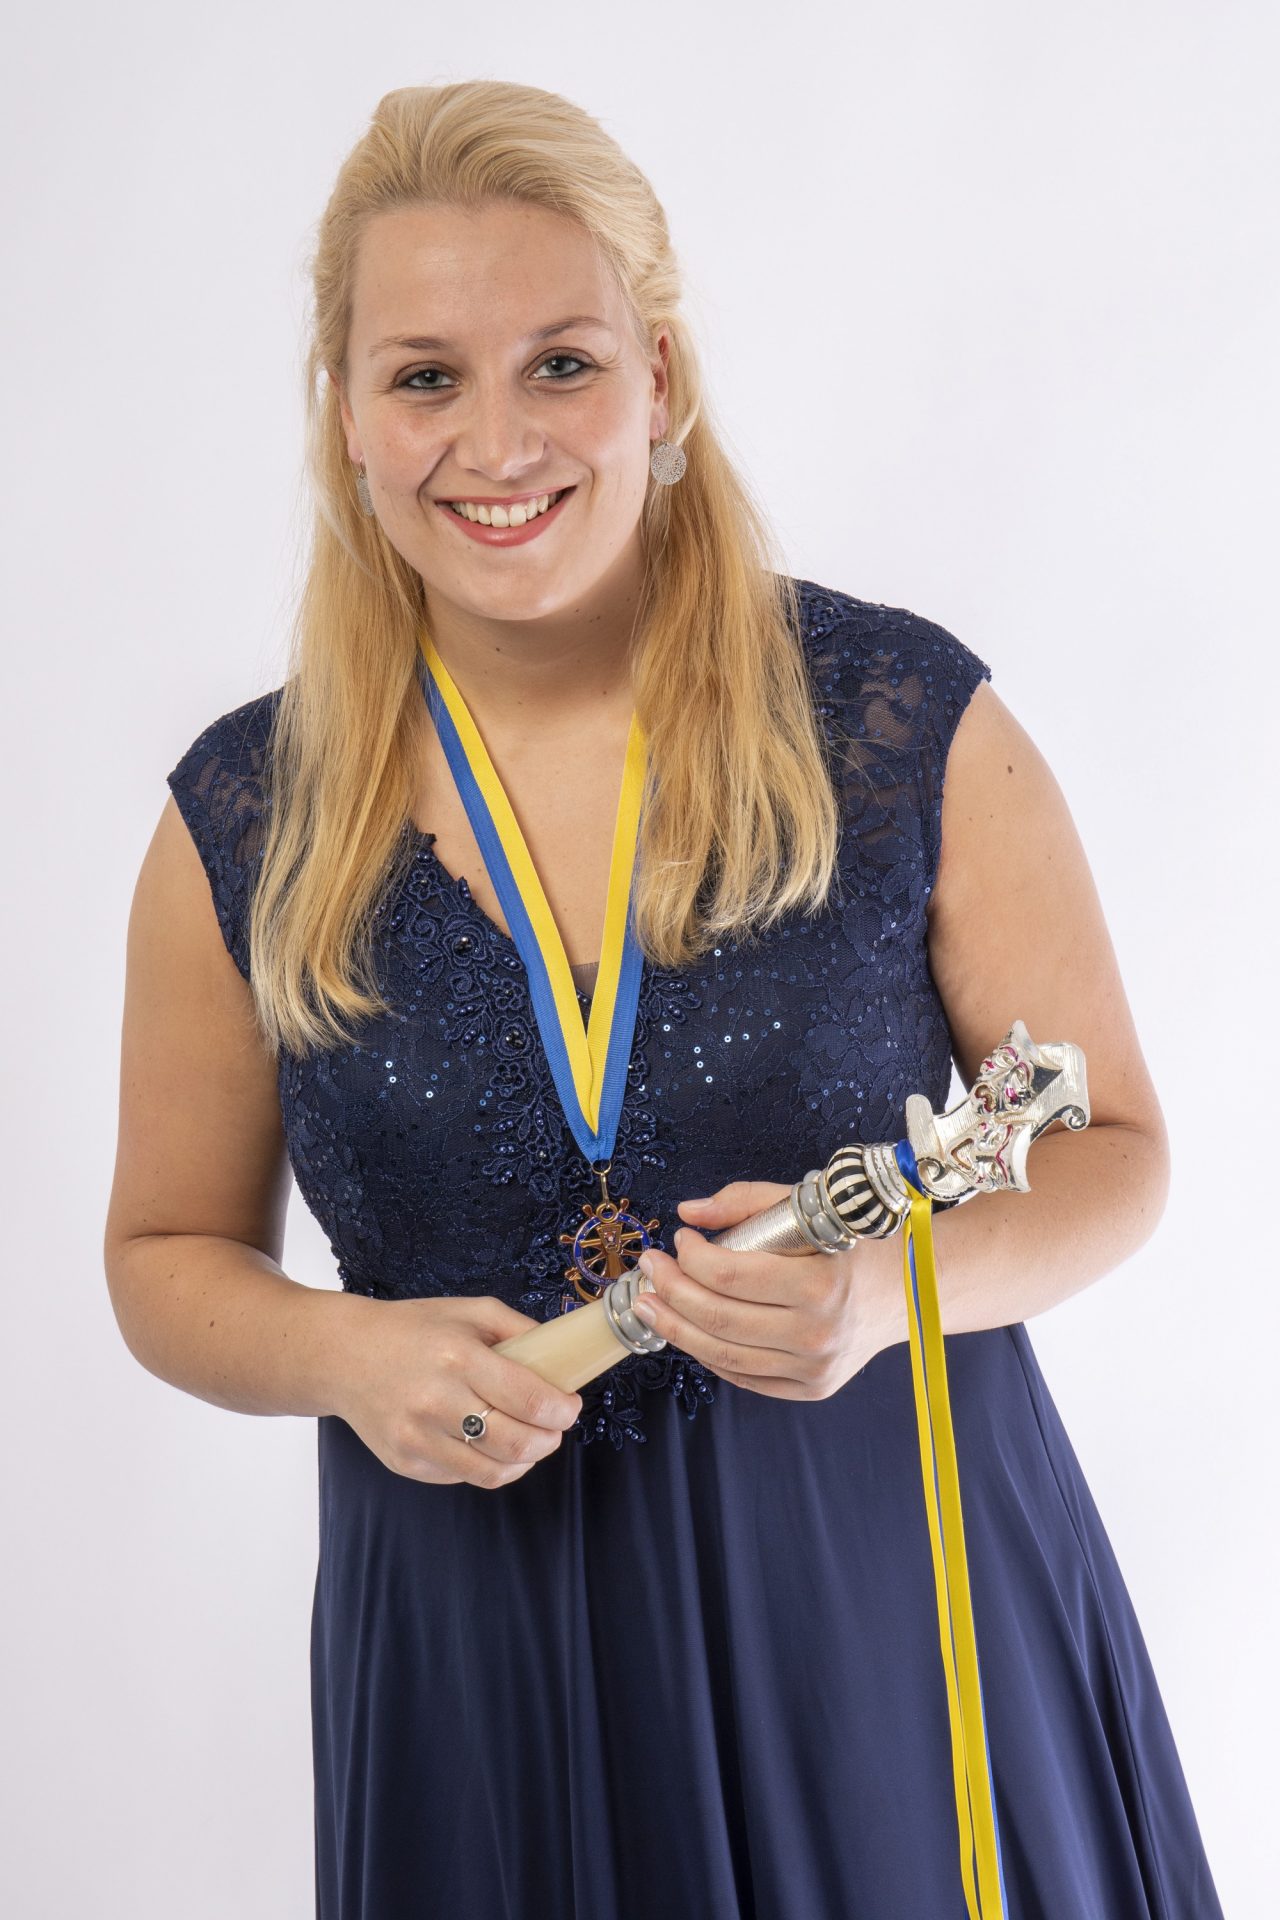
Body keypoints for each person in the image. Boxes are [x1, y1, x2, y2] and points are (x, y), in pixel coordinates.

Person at [104, 79, 1225, 1920]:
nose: (496, 441)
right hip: (470, 1646)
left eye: (561, 363)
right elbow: (163, 1255)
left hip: (882, 1605)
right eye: (424, 377)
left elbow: (1117, 1149)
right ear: (347, 420)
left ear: (662, 380)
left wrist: (889, 1294)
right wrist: (345, 1360)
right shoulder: (247, 812)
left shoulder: (894, 718)